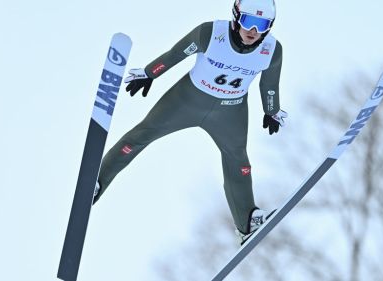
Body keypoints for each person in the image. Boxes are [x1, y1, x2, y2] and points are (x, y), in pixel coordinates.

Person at [93, 0, 287, 245]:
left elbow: (269, 85)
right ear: (237, 17)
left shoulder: (272, 49)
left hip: (231, 111)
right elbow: (177, 54)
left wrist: (271, 112)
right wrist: (151, 72)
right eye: (249, 22)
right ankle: (97, 182)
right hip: (186, 100)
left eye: (263, 25)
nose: (254, 31)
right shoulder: (211, 32)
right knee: (141, 134)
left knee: (238, 160)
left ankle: (247, 222)